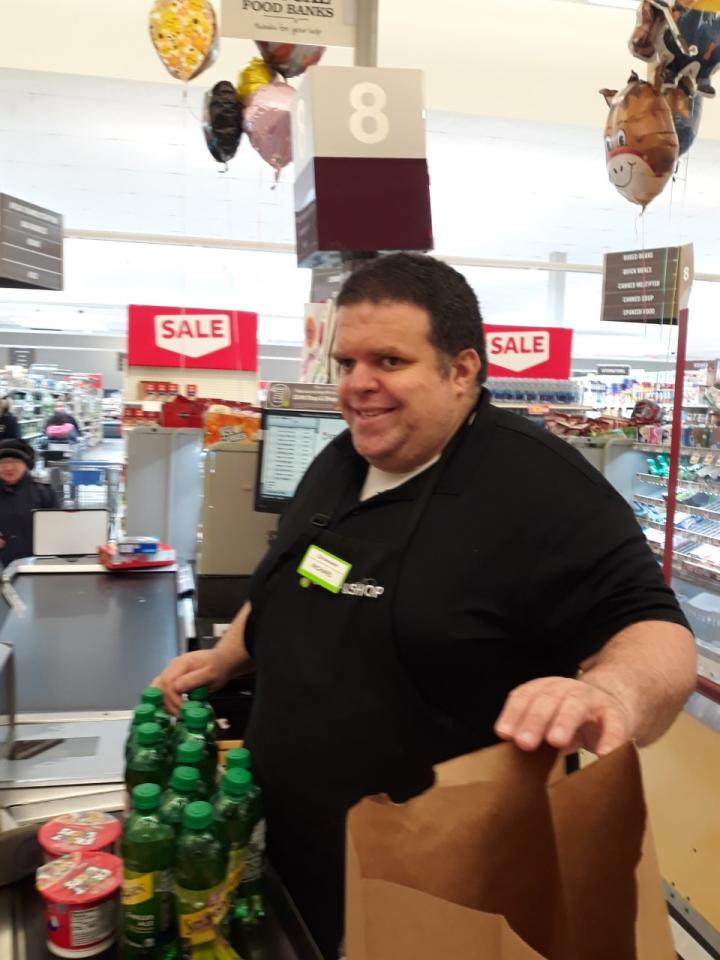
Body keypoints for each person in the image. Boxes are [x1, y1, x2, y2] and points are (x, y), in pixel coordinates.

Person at [153, 254, 696, 959]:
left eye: (388, 360)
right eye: (346, 362)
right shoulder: (340, 461)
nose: (357, 386)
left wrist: (609, 693)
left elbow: (657, 631)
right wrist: (232, 652)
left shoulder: (540, 488)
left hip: (440, 884)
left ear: (461, 369)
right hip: (287, 860)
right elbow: (296, 577)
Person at [0, 438, 59, 566]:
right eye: (3, 462)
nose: (9, 467)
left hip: (36, 566)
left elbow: (59, 530)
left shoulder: (44, 492)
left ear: (26, 465)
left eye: (15, 461)